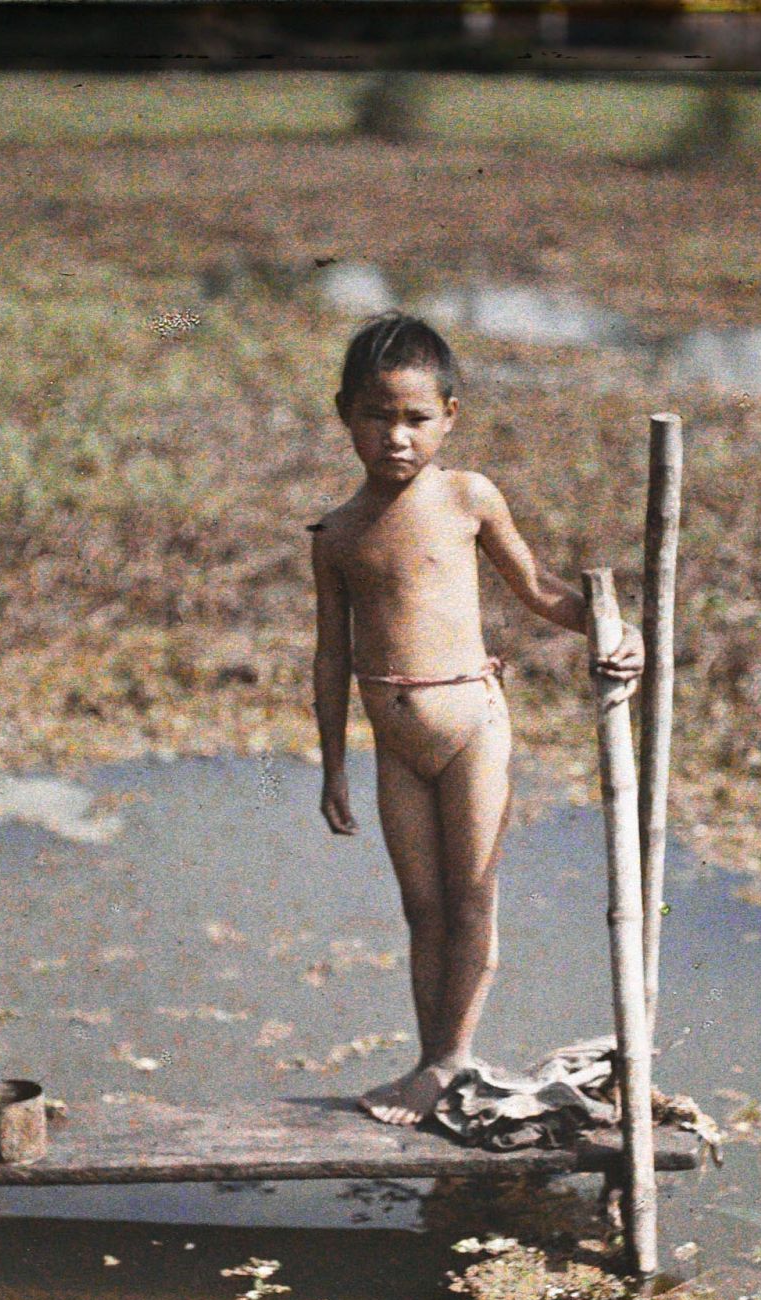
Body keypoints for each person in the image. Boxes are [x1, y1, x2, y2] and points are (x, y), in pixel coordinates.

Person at [310, 312, 643, 1127]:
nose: (396, 438)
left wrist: (616, 632)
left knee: (472, 902)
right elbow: (330, 656)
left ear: (449, 417)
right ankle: (433, 1063)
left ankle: (452, 1060)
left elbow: (540, 590)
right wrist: (332, 767)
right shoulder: (337, 533)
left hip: (470, 731)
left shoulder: (467, 496)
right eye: (377, 417)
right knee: (422, 910)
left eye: (416, 419)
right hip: (393, 745)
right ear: (346, 414)